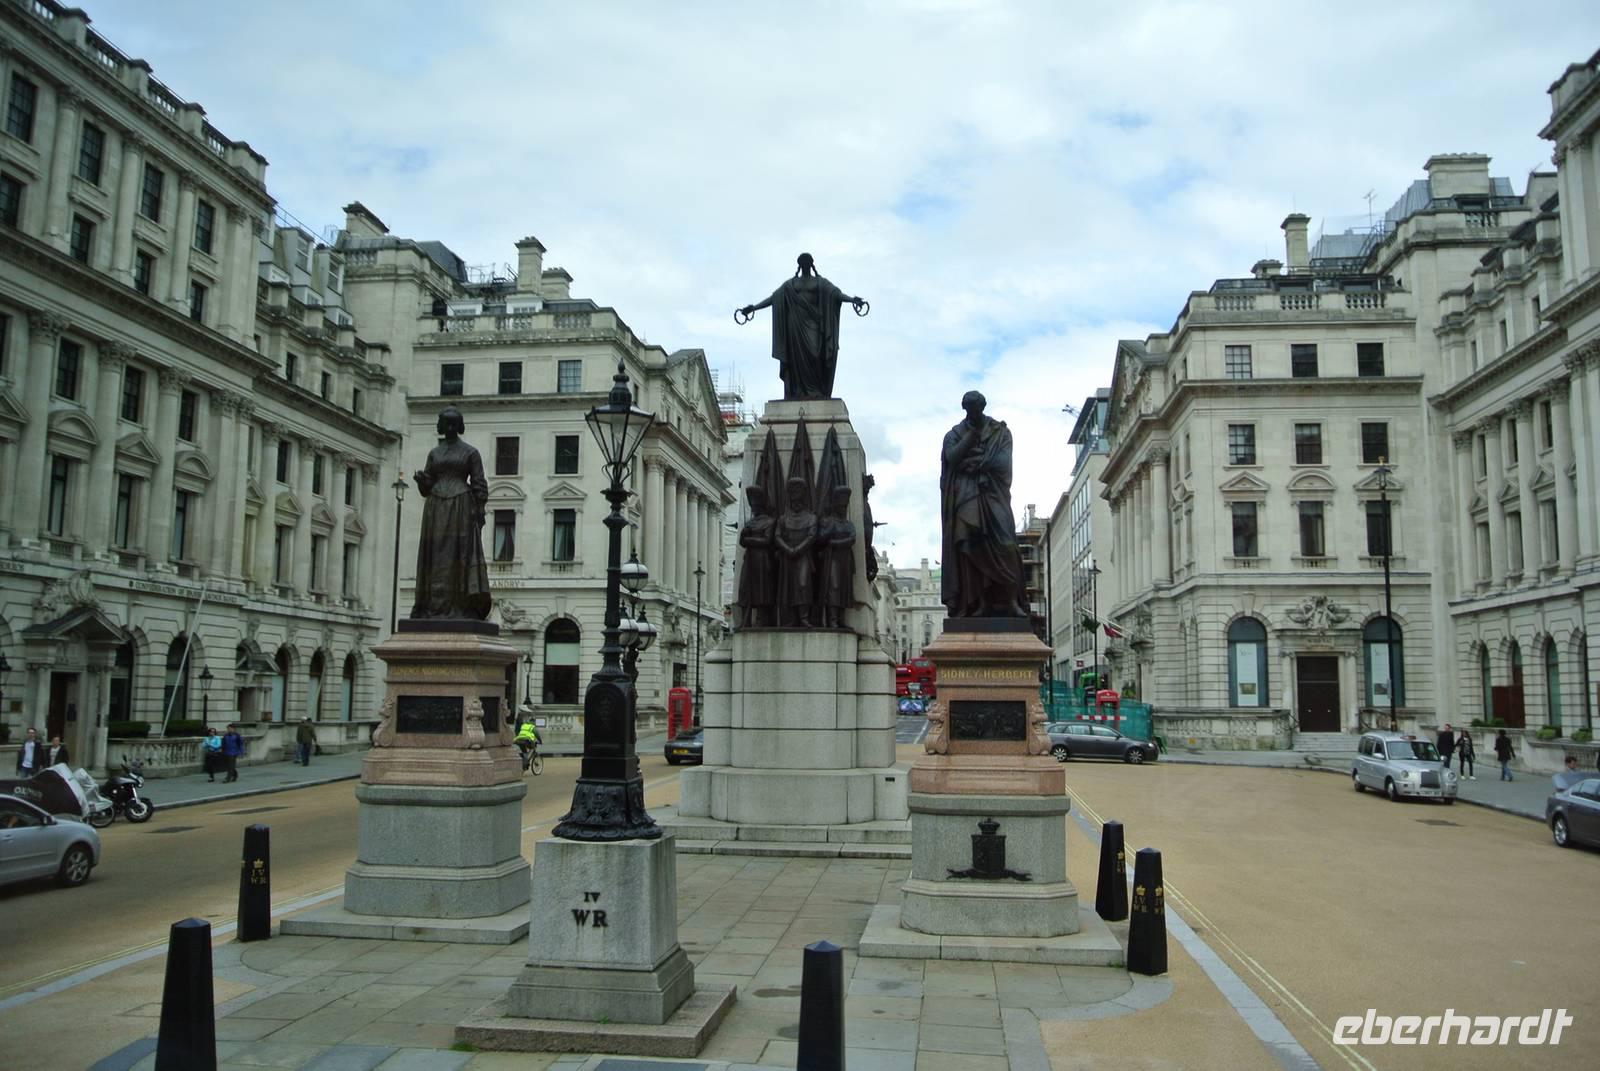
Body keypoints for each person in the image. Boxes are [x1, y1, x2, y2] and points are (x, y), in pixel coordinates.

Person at [940, 391, 1028, 618]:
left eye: (977, 409)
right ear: (964, 409)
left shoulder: (1000, 431)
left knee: (1006, 544)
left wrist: (975, 462)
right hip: (966, 496)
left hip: (992, 494)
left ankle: (1010, 600)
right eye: (969, 409)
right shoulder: (954, 434)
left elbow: (1002, 462)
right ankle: (979, 603)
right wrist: (972, 440)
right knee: (969, 544)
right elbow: (951, 458)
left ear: (983, 407)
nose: (973, 413)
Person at [737, 253, 867, 401]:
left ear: (811, 264)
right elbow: (774, 299)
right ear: (799, 265)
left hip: (813, 324)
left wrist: (852, 300)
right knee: (795, 359)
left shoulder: (820, 282)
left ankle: (816, 390)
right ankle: (797, 391)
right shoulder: (790, 285)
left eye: (807, 262)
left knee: (815, 355)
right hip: (794, 325)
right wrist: (753, 308)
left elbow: (836, 295)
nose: (805, 264)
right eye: (802, 262)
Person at [410, 407, 491, 620]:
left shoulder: (470, 452)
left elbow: (479, 482)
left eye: (454, 423)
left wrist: (479, 510)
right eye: (446, 423)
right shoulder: (434, 453)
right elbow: (426, 487)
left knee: (459, 554)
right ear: (441, 425)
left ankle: (460, 605)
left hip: (460, 506)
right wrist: (422, 480)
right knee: (435, 554)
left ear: (460, 426)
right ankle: (430, 605)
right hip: (436, 506)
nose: (450, 427)